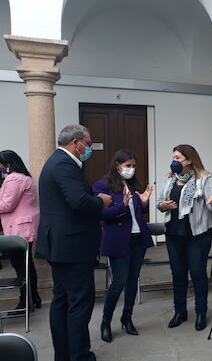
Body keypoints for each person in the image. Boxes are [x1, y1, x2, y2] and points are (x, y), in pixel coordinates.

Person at [36, 124, 112, 361]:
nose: (88, 148)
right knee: (79, 302)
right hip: (72, 247)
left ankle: (65, 354)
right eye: (88, 144)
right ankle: (79, 355)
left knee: (62, 300)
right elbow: (79, 202)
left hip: (63, 245)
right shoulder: (63, 164)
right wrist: (101, 202)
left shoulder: (57, 162)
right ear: (76, 142)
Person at [157, 144, 212, 331]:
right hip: (174, 234)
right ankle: (180, 312)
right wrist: (163, 205)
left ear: (189, 160)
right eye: (173, 158)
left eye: (177, 158)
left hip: (198, 234)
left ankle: (201, 312)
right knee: (178, 273)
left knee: (197, 273)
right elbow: (158, 203)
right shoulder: (169, 179)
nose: (174, 162)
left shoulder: (204, 178)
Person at [92, 149, 154, 343]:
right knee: (118, 282)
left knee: (133, 280)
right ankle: (106, 321)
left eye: (134, 166)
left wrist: (143, 203)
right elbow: (101, 215)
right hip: (118, 239)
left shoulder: (134, 183)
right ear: (117, 166)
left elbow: (136, 214)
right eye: (128, 166)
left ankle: (127, 318)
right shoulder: (102, 185)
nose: (132, 169)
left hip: (137, 239)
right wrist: (122, 205)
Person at [0, 150, 41, 311]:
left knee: (21, 266)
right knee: (26, 264)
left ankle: (26, 301)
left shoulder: (14, 179)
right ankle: (33, 298)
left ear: (8, 165)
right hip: (22, 227)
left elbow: (7, 205)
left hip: (19, 229)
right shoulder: (22, 177)